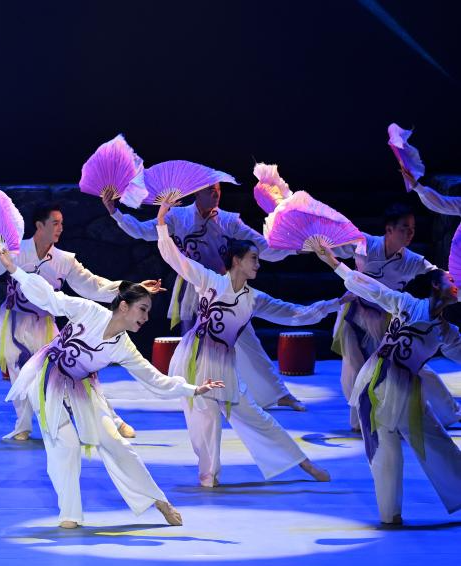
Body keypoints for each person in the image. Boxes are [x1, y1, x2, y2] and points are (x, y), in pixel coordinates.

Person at [0, 244, 222, 528]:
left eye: (147, 312)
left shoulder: (124, 347)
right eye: (142, 309)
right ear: (123, 306)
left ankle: (159, 501)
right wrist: (14, 269)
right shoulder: (88, 311)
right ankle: (69, 514)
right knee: (65, 445)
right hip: (47, 379)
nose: (145, 318)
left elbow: (154, 379)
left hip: (82, 387)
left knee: (115, 442)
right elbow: (50, 298)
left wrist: (192, 389)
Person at [0, 202, 157, 439]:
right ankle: (23, 425)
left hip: (45, 324)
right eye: (55, 223)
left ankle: (113, 420)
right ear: (39, 225)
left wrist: (135, 289)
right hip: (14, 323)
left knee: (72, 375)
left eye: (62, 223)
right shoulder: (15, 251)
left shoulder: (64, 260)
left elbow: (93, 285)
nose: (60, 228)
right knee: (18, 373)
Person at [154, 201, 336, 487]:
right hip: (194, 361)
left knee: (256, 416)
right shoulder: (209, 281)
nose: (258, 264)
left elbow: (294, 313)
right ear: (237, 261)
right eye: (253, 258)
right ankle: (208, 476)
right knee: (206, 421)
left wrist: (335, 304)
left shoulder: (253, 298)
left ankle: (305, 464)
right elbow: (175, 259)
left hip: (224, 367)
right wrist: (162, 222)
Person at [104, 183, 306, 411]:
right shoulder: (177, 216)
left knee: (248, 342)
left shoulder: (228, 220)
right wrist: (114, 211)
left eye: (218, 190)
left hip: (224, 288)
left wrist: (294, 246)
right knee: (195, 347)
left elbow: (261, 247)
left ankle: (278, 393)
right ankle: (196, 395)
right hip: (194, 289)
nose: (215, 194)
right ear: (197, 192)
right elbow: (142, 231)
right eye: (209, 190)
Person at [315, 241, 461, 524]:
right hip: (377, 384)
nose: (456, 284)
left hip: (406, 390)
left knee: (437, 442)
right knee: (386, 451)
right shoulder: (407, 304)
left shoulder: (447, 332)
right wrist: (333, 262)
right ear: (435, 285)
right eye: (451, 279)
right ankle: (389, 514)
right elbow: (370, 288)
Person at [331, 204, 458, 430]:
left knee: (413, 364)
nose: (410, 233)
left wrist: (454, 279)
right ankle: (360, 419)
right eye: (404, 228)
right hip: (355, 313)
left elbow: (440, 275)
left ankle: (451, 413)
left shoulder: (413, 260)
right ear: (389, 229)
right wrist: (318, 247)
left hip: (386, 317)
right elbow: (335, 247)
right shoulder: (366, 244)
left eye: (413, 229)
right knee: (355, 367)